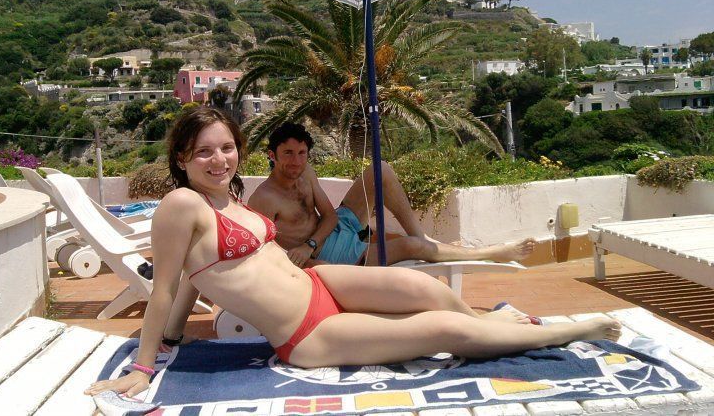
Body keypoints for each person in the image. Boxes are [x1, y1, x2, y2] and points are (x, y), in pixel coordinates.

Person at [86, 107, 620, 398]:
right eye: (204, 151)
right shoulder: (181, 203)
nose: (219, 159)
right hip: (306, 333)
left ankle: (489, 323)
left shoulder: (230, 196)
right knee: (440, 331)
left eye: (227, 147)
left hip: (321, 282)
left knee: (424, 287)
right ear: (182, 158)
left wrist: (177, 335)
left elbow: (195, 278)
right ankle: (565, 332)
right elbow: (166, 288)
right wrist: (145, 365)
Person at [248, 122, 535, 268]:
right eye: (288, 154)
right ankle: (491, 253)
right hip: (331, 254)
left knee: (380, 170)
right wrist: (309, 257)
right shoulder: (264, 199)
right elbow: (263, 254)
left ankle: (423, 237)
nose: (296, 161)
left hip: (330, 232)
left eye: (302, 153)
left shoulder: (306, 172)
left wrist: (312, 240)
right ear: (272, 155)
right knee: (410, 247)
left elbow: (330, 216)